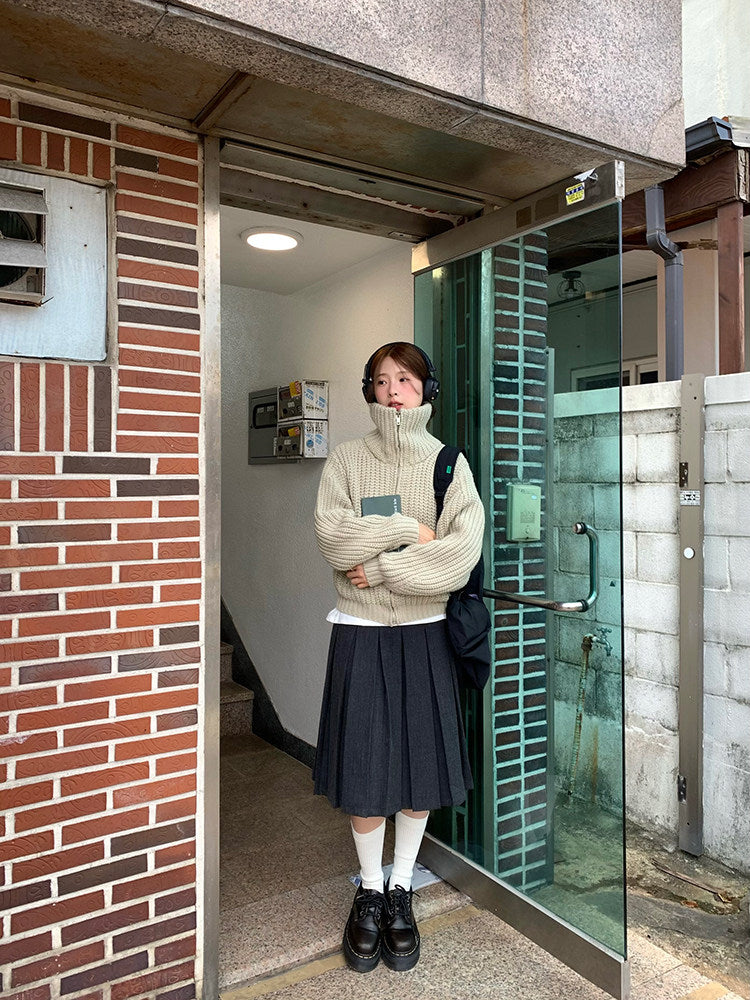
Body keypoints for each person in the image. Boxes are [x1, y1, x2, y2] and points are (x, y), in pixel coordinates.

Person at [313, 341, 485, 973]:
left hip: (425, 634)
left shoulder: (448, 465)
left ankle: (402, 886)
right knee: (364, 769)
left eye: (406, 380)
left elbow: (459, 555)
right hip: (360, 632)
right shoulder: (346, 459)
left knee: (420, 768)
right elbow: (334, 540)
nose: (393, 392)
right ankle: (368, 888)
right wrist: (410, 531)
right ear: (369, 390)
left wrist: (383, 567)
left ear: (425, 389)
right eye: (382, 381)